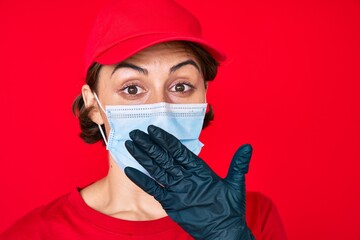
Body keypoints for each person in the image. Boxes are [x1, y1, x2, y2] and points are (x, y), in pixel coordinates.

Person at [0, 0, 287, 239]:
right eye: (132, 88)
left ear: (204, 97)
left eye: (181, 86)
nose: (160, 110)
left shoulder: (251, 217)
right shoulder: (37, 233)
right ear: (93, 104)